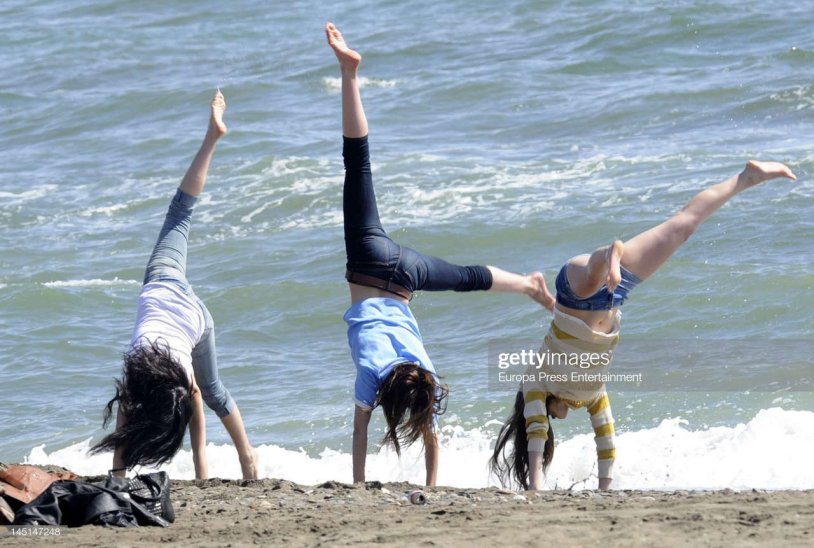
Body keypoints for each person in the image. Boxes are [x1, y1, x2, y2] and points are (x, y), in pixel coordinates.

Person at [325, 22, 554, 486]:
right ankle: (350, 75)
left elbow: (428, 436)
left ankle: (529, 285)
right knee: (357, 163)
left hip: (406, 274)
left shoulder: (424, 373)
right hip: (370, 261)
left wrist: (431, 485)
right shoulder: (373, 376)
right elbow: (359, 433)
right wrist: (359, 485)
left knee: (467, 276)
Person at [490, 159, 796, 491]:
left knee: (593, 271)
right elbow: (606, 437)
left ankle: (610, 254)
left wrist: (535, 489)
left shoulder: (535, 382)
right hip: (613, 294)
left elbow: (535, 431)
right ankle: (747, 177)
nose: (558, 420)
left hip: (574, 295)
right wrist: (605, 491)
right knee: (683, 227)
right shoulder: (591, 394)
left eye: (553, 420)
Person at [91, 91, 258, 480]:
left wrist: (119, 475)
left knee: (212, 390)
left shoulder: (149, 384)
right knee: (180, 213)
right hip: (166, 285)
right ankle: (248, 459)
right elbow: (175, 404)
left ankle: (247, 459)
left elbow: (131, 416)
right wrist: (201, 469)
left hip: (198, 320)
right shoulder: (139, 371)